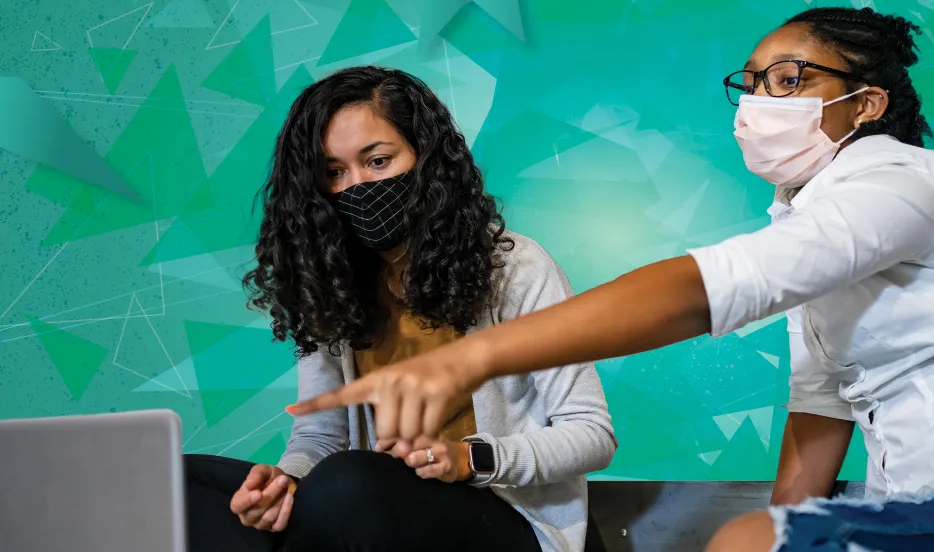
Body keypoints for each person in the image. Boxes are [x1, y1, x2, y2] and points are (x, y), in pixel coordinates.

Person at [289, 9, 934, 552]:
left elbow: (719, 286)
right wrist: (793, 530)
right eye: (754, 83)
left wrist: (470, 358)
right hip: (929, 505)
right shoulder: (802, 229)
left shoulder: (899, 177)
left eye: (790, 78)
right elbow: (821, 408)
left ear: (865, 103)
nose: (762, 102)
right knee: (748, 541)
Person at [184, 66, 617, 552]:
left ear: (425, 157)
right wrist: (285, 483)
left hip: (504, 519)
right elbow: (320, 436)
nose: (357, 186)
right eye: (334, 172)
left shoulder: (514, 267)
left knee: (349, 482)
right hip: (373, 508)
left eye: (378, 161)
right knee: (185, 483)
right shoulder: (333, 281)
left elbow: (591, 434)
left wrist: (466, 459)